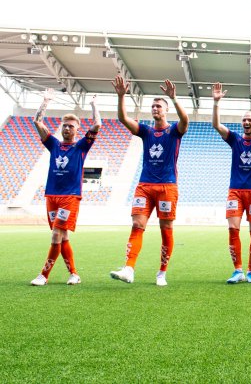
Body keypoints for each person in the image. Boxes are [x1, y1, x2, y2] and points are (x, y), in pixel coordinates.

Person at [110, 76, 189, 286]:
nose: (155, 109)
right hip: (144, 186)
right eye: (153, 106)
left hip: (167, 186)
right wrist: (121, 96)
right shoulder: (146, 131)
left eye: (158, 106)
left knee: (166, 229)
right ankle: (129, 268)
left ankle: (162, 272)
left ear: (165, 110)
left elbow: (185, 121)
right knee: (137, 224)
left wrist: (173, 98)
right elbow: (123, 119)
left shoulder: (173, 131)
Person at [30, 90, 101, 286]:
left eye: (71, 126)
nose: (67, 128)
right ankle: (74, 274)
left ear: (77, 129)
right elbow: (37, 122)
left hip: (70, 197)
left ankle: (43, 275)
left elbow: (97, 125)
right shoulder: (53, 144)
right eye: (65, 126)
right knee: (62, 236)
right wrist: (45, 101)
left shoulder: (80, 147)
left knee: (56, 235)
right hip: (51, 195)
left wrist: (94, 105)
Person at [212, 80, 251, 284]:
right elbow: (216, 125)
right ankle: (238, 270)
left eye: (250, 120)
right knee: (233, 229)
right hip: (235, 191)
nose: (246, 122)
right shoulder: (235, 139)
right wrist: (216, 103)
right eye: (244, 120)